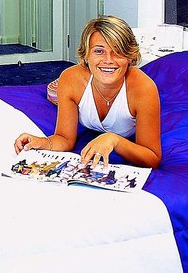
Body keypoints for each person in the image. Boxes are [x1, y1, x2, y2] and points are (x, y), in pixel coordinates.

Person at [13, 15, 162, 168]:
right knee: (53, 93)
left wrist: (115, 140)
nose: (108, 60)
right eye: (99, 51)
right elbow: (64, 138)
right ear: (86, 55)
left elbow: (152, 157)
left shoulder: (144, 89)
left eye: (118, 51)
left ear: (130, 57)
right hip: (74, 83)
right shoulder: (70, 79)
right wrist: (41, 142)